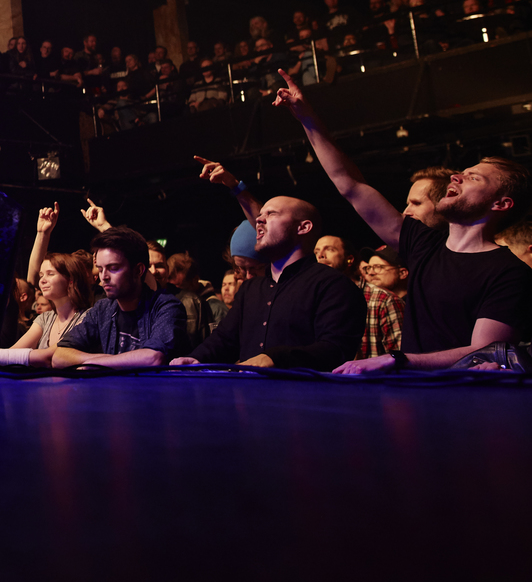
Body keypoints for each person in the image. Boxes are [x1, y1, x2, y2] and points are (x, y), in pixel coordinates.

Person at [272, 68, 532, 373]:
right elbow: (350, 184)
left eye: (473, 177)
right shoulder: (422, 244)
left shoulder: (509, 273)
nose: (456, 175)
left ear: (502, 203)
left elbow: (483, 352)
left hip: (464, 405)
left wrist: (397, 359)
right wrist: (307, 119)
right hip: (416, 398)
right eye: (462, 172)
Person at [172, 192, 366, 371]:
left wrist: (275, 358)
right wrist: (196, 358)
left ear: (304, 227)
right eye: (260, 214)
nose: (259, 220)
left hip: (308, 401)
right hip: (251, 399)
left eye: (271, 213)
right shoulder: (250, 288)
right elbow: (225, 339)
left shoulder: (334, 285)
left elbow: (335, 349)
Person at [43, 226, 187, 368]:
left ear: (138, 270)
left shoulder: (166, 306)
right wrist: (101, 360)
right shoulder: (103, 308)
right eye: (100, 269)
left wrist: (93, 363)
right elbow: (59, 356)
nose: (104, 277)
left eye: (113, 268)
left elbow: (153, 358)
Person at [0, 203, 94, 365]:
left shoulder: (87, 317)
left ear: (70, 279)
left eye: (50, 274)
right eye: (42, 275)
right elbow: (13, 352)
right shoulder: (46, 318)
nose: (42, 280)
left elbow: (49, 356)